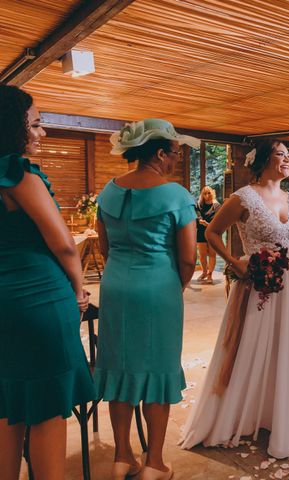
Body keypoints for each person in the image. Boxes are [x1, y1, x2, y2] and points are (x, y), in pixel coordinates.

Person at [180, 139, 289, 459]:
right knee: (251, 347)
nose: (288, 160)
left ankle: (285, 419)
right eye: (281, 155)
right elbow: (211, 234)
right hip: (258, 283)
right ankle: (244, 414)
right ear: (264, 160)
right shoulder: (243, 197)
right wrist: (235, 263)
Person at [0, 85, 95, 480]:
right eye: (36, 125)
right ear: (11, 128)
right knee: (47, 408)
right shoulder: (19, 173)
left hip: (6, 301)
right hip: (39, 300)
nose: (43, 133)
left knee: (10, 404)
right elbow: (64, 245)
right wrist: (77, 290)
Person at [95, 118, 198, 480]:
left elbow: (105, 247)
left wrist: (123, 271)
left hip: (115, 287)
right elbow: (188, 258)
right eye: (173, 153)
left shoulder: (107, 192)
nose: (175, 160)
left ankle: (122, 456)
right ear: (158, 153)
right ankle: (154, 462)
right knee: (157, 371)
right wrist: (175, 285)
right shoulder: (176, 195)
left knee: (119, 370)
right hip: (158, 288)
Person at [196, 186, 221, 283]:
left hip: (212, 232)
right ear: (202, 195)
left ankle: (210, 274)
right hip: (201, 231)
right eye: (205, 193)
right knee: (202, 255)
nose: (207, 195)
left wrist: (208, 224)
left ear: (212, 193)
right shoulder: (199, 204)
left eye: (209, 193)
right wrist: (200, 220)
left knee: (212, 254)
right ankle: (204, 272)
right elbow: (197, 215)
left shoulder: (217, 206)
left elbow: (218, 221)